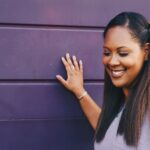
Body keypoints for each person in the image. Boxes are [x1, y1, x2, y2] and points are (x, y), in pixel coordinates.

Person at [56, 12, 150, 150]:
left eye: (123, 53)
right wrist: (80, 92)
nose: (112, 61)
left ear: (146, 52)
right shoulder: (123, 102)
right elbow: (108, 133)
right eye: (107, 53)